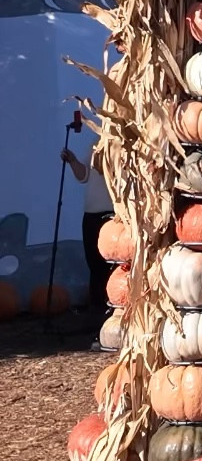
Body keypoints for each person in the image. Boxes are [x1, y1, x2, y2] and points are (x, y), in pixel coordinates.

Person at [61, 135, 113, 338]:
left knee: (111, 265)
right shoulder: (96, 143)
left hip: (113, 214)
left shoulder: (127, 143)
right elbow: (84, 176)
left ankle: (113, 313)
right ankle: (97, 314)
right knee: (94, 264)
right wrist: (73, 161)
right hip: (91, 213)